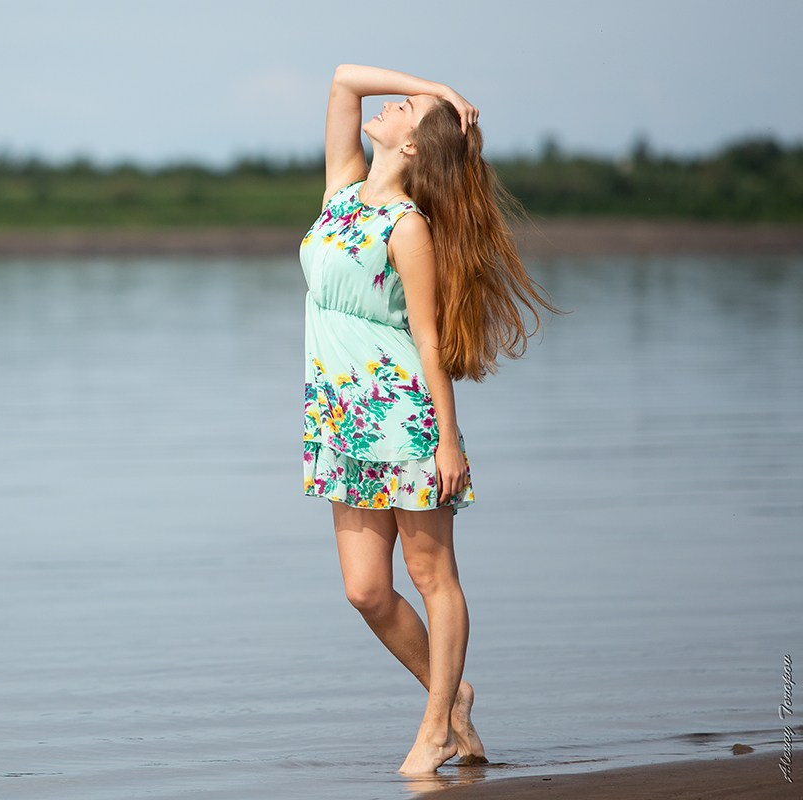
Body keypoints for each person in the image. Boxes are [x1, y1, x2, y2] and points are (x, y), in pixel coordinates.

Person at [299, 64, 563, 776]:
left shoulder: (407, 227)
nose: (388, 105)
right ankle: (453, 698)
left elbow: (426, 338)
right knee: (365, 590)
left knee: (430, 572)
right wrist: (440, 90)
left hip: (403, 420)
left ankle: (433, 729)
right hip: (339, 421)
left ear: (414, 147)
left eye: (404, 106)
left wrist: (448, 439)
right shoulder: (343, 191)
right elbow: (343, 80)